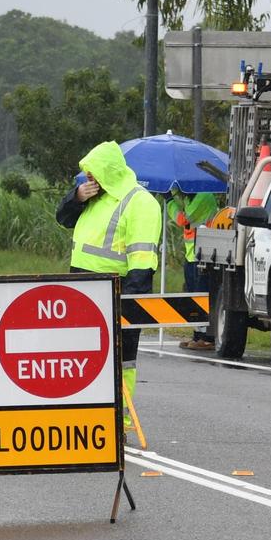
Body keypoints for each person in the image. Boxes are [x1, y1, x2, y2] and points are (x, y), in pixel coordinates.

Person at [56, 141, 160, 431]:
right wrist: (76, 197)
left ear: (108, 172)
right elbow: (62, 218)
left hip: (117, 293)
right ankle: (85, 417)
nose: (89, 180)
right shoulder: (93, 197)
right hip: (81, 292)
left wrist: (127, 308)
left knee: (122, 362)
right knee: (81, 360)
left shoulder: (139, 203)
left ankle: (119, 423)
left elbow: (141, 262)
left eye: (92, 175)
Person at [167, 188, 219, 350]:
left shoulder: (204, 195)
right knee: (194, 298)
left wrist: (169, 202)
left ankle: (207, 337)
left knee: (202, 298)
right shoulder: (191, 197)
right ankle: (197, 336)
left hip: (204, 255)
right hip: (192, 255)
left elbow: (184, 218)